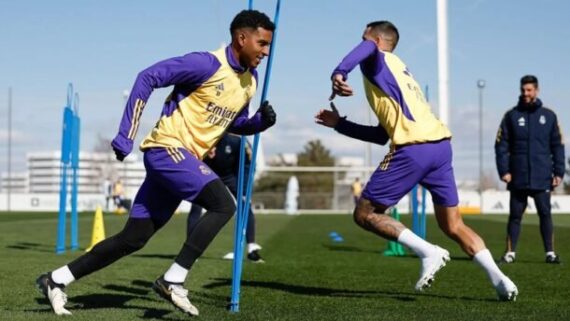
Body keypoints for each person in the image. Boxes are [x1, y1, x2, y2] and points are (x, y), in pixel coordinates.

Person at [36, 10, 277, 316]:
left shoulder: (250, 82)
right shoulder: (205, 64)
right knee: (224, 205)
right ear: (242, 38)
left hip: (184, 160)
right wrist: (126, 134)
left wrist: (259, 123)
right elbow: (147, 77)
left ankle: (55, 280)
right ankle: (172, 280)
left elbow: (233, 123)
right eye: (262, 43)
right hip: (167, 150)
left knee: (134, 238)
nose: (266, 52)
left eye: (269, 45)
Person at [314, 20, 518, 301]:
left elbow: (366, 48)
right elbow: (379, 136)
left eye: (364, 38)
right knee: (453, 225)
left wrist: (339, 73)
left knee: (365, 213)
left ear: (376, 40)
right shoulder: (400, 71)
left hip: (413, 149)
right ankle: (501, 280)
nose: (360, 44)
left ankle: (428, 251)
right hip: (440, 147)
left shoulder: (376, 60)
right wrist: (340, 124)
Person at [495, 75, 565, 264]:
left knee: (545, 214)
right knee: (515, 216)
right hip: (518, 176)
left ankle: (550, 253)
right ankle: (510, 253)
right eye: (523, 90)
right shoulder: (511, 116)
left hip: (542, 176)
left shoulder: (549, 116)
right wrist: (504, 171)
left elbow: (558, 145)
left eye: (529, 90)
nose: (526, 93)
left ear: (536, 90)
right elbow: (501, 145)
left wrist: (559, 172)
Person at [187, 133, 264, 262]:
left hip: (229, 175)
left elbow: (248, 164)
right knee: (196, 207)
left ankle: (252, 249)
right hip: (206, 174)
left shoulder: (236, 142)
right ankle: (190, 251)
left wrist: (244, 188)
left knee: (245, 205)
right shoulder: (198, 138)